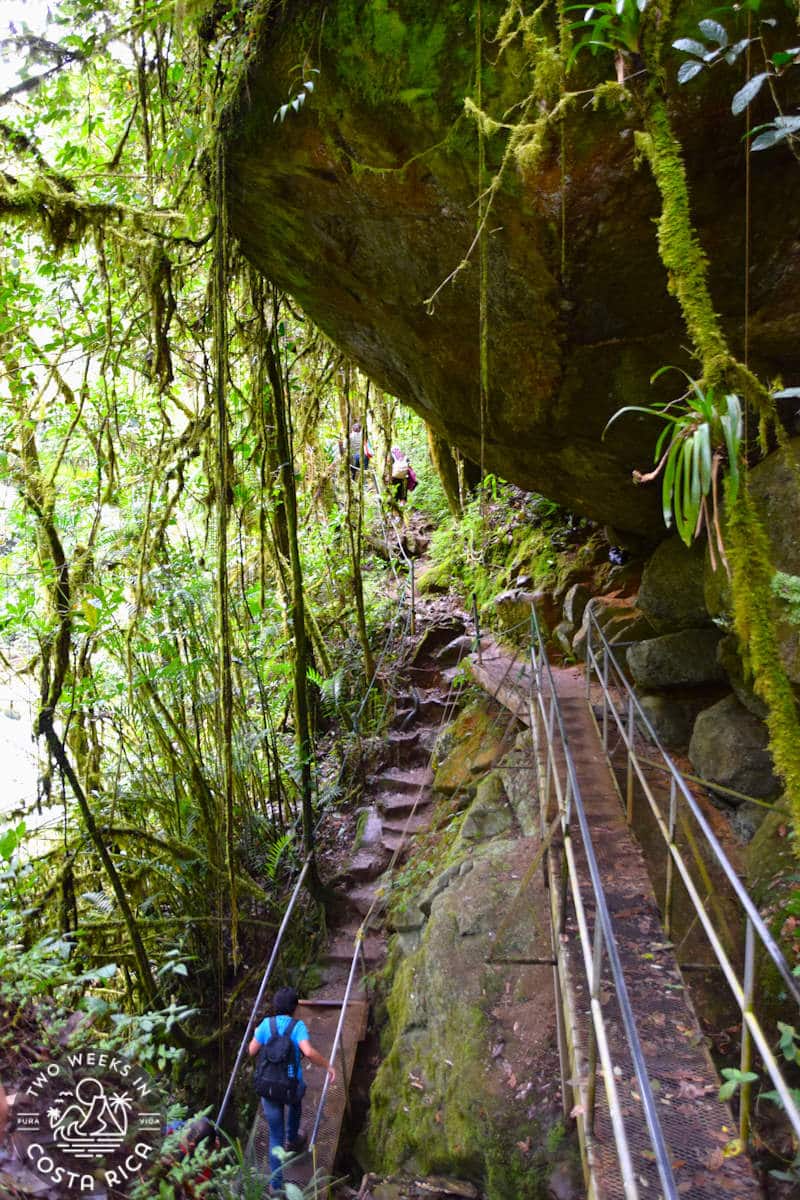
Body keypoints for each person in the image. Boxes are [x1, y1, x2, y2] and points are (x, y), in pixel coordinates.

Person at [248, 986, 335, 1195]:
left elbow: (251, 1051)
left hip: (268, 1087)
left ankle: (275, 1186)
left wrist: (259, 1035)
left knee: (274, 1136)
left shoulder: (265, 1025)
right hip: (290, 1086)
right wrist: (328, 1066)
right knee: (296, 1101)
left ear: (275, 1006)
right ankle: (293, 1137)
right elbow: (308, 1052)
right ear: (295, 1008)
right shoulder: (298, 1027)